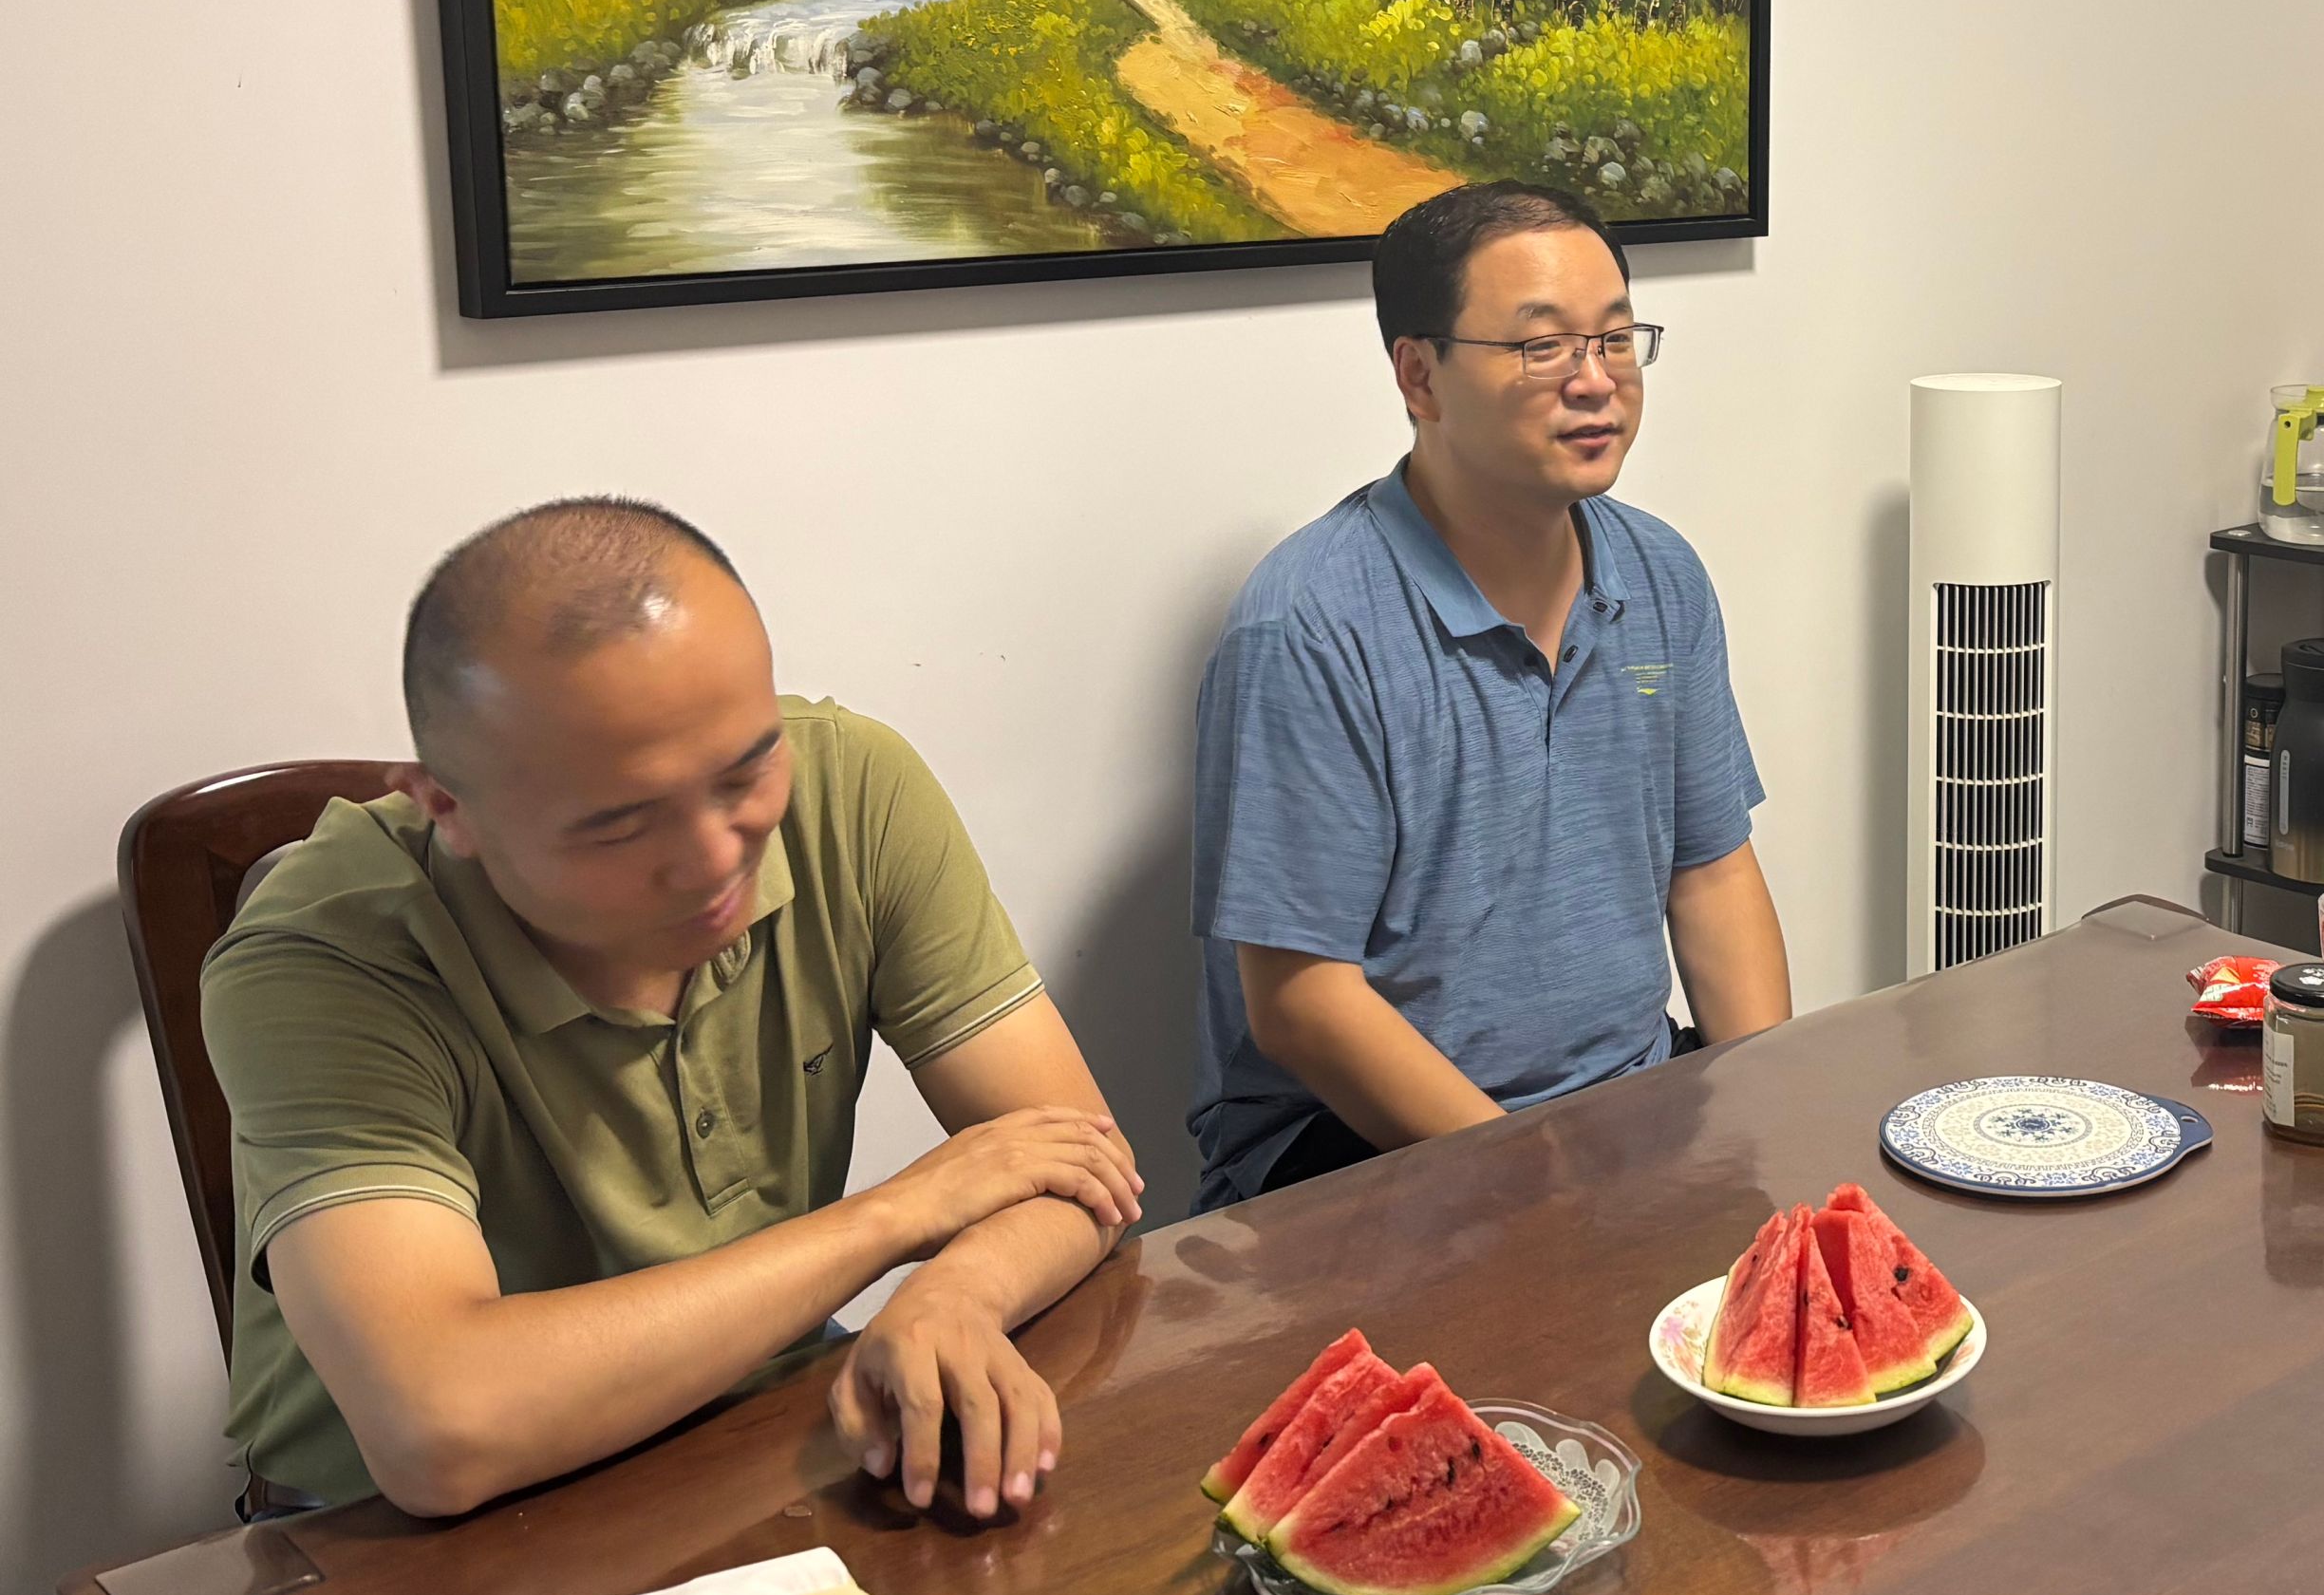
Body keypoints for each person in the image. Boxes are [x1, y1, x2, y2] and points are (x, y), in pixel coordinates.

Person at [205, 499, 1144, 1521]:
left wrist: (955, 1296)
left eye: (747, 772)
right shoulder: (322, 957)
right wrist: (896, 1216)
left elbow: (1078, 1165)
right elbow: (441, 1428)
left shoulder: (854, 787)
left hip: (762, 1429)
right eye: (619, 827)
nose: (712, 861)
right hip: (393, 1539)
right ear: (446, 809)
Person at [1188, 180, 1789, 1209]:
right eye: (1542, 347)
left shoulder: (1661, 575)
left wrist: (1769, 1114)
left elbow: (1712, 875)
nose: (1595, 382)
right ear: (1419, 376)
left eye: (1615, 339)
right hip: (1364, 1154)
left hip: (1624, 1109)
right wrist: (1543, 1186)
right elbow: (1301, 1002)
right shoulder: (1310, 624)